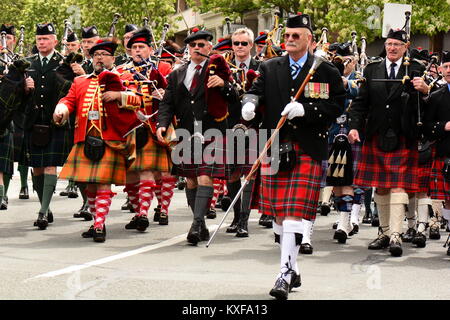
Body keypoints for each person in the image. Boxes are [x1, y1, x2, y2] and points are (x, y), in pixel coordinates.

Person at [242, 13, 345, 299]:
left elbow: (337, 106)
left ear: (309, 39)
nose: (288, 40)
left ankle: (284, 273)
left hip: (309, 147)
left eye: (295, 36)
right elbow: (254, 92)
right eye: (286, 36)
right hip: (275, 147)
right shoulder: (270, 66)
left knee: (293, 215)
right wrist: (249, 106)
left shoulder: (325, 70)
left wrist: (307, 111)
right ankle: (293, 265)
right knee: (278, 216)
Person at [348, 29, 429, 257]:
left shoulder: (414, 69)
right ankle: (383, 232)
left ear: (405, 47)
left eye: (397, 45)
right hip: (376, 133)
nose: (392, 48)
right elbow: (360, 103)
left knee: (399, 185)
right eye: (389, 44)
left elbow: (424, 103)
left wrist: (425, 91)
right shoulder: (372, 69)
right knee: (381, 186)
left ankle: (396, 234)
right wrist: (354, 126)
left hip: (404, 134)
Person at [157, 28, 239, 245]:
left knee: (204, 175)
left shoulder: (218, 70)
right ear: (188, 49)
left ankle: (195, 224)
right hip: (186, 131)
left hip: (212, 129)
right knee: (191, 179)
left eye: (201, 45)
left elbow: (235, 95)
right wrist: (162, 124)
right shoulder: (177, 74)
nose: (196, 48)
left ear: (209, 48)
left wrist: (223, 85)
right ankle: (200, 223)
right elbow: (167, 103)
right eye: (192, 45)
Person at [54, 39, 141, 242]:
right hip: (85, 138)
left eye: (103, 54)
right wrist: (62, 109)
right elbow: (69, 100)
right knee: (89, 186)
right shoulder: (81, 81)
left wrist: (119, 95)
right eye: (95, 55)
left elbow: (139, 100)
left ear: (112, 58)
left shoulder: (125, 77)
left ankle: (100, 224)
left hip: (110, 139)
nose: (99, 58)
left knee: (102, 184)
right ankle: (96, 220)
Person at [117, 28, 175, 230]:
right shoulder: (121, 72)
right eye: (134, 47)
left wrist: (165, 94)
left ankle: (159, 210)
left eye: (141, 47)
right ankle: (138, 212)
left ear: (150, 49)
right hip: (130, 128)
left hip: (155, 126)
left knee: (159, 172)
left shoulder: (162, 69)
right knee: (132, 174)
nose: (137, 51)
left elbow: (174, 93)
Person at [24, 23, 73, 229]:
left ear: (54, 41)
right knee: (36, 168)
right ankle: (46, 205)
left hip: (55, 121)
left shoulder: (64, 63)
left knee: (51, 165)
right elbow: (17, 95)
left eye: (45, 39)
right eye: (39, 39)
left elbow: (73, 91)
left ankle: (43, 211)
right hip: (34, 121)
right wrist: (24, 88)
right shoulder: (27, 63)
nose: (42, 42)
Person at [224, 27, 260, 238]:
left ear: (251, 45)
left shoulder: (262, 67)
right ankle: (236, 216)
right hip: (229, 124)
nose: (239, 47)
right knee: (232, 173)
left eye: (244, 43)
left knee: (250, 173)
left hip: (254, 126)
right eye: (236, 43)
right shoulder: (223, 69)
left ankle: (244, 221)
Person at [424, 50, 450, 256]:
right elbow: (427, 127)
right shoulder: (436, 96)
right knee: (448, 200)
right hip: (445, 152)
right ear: (440, 70)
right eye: (446, 67)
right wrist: (444, 126)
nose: (449, 70)